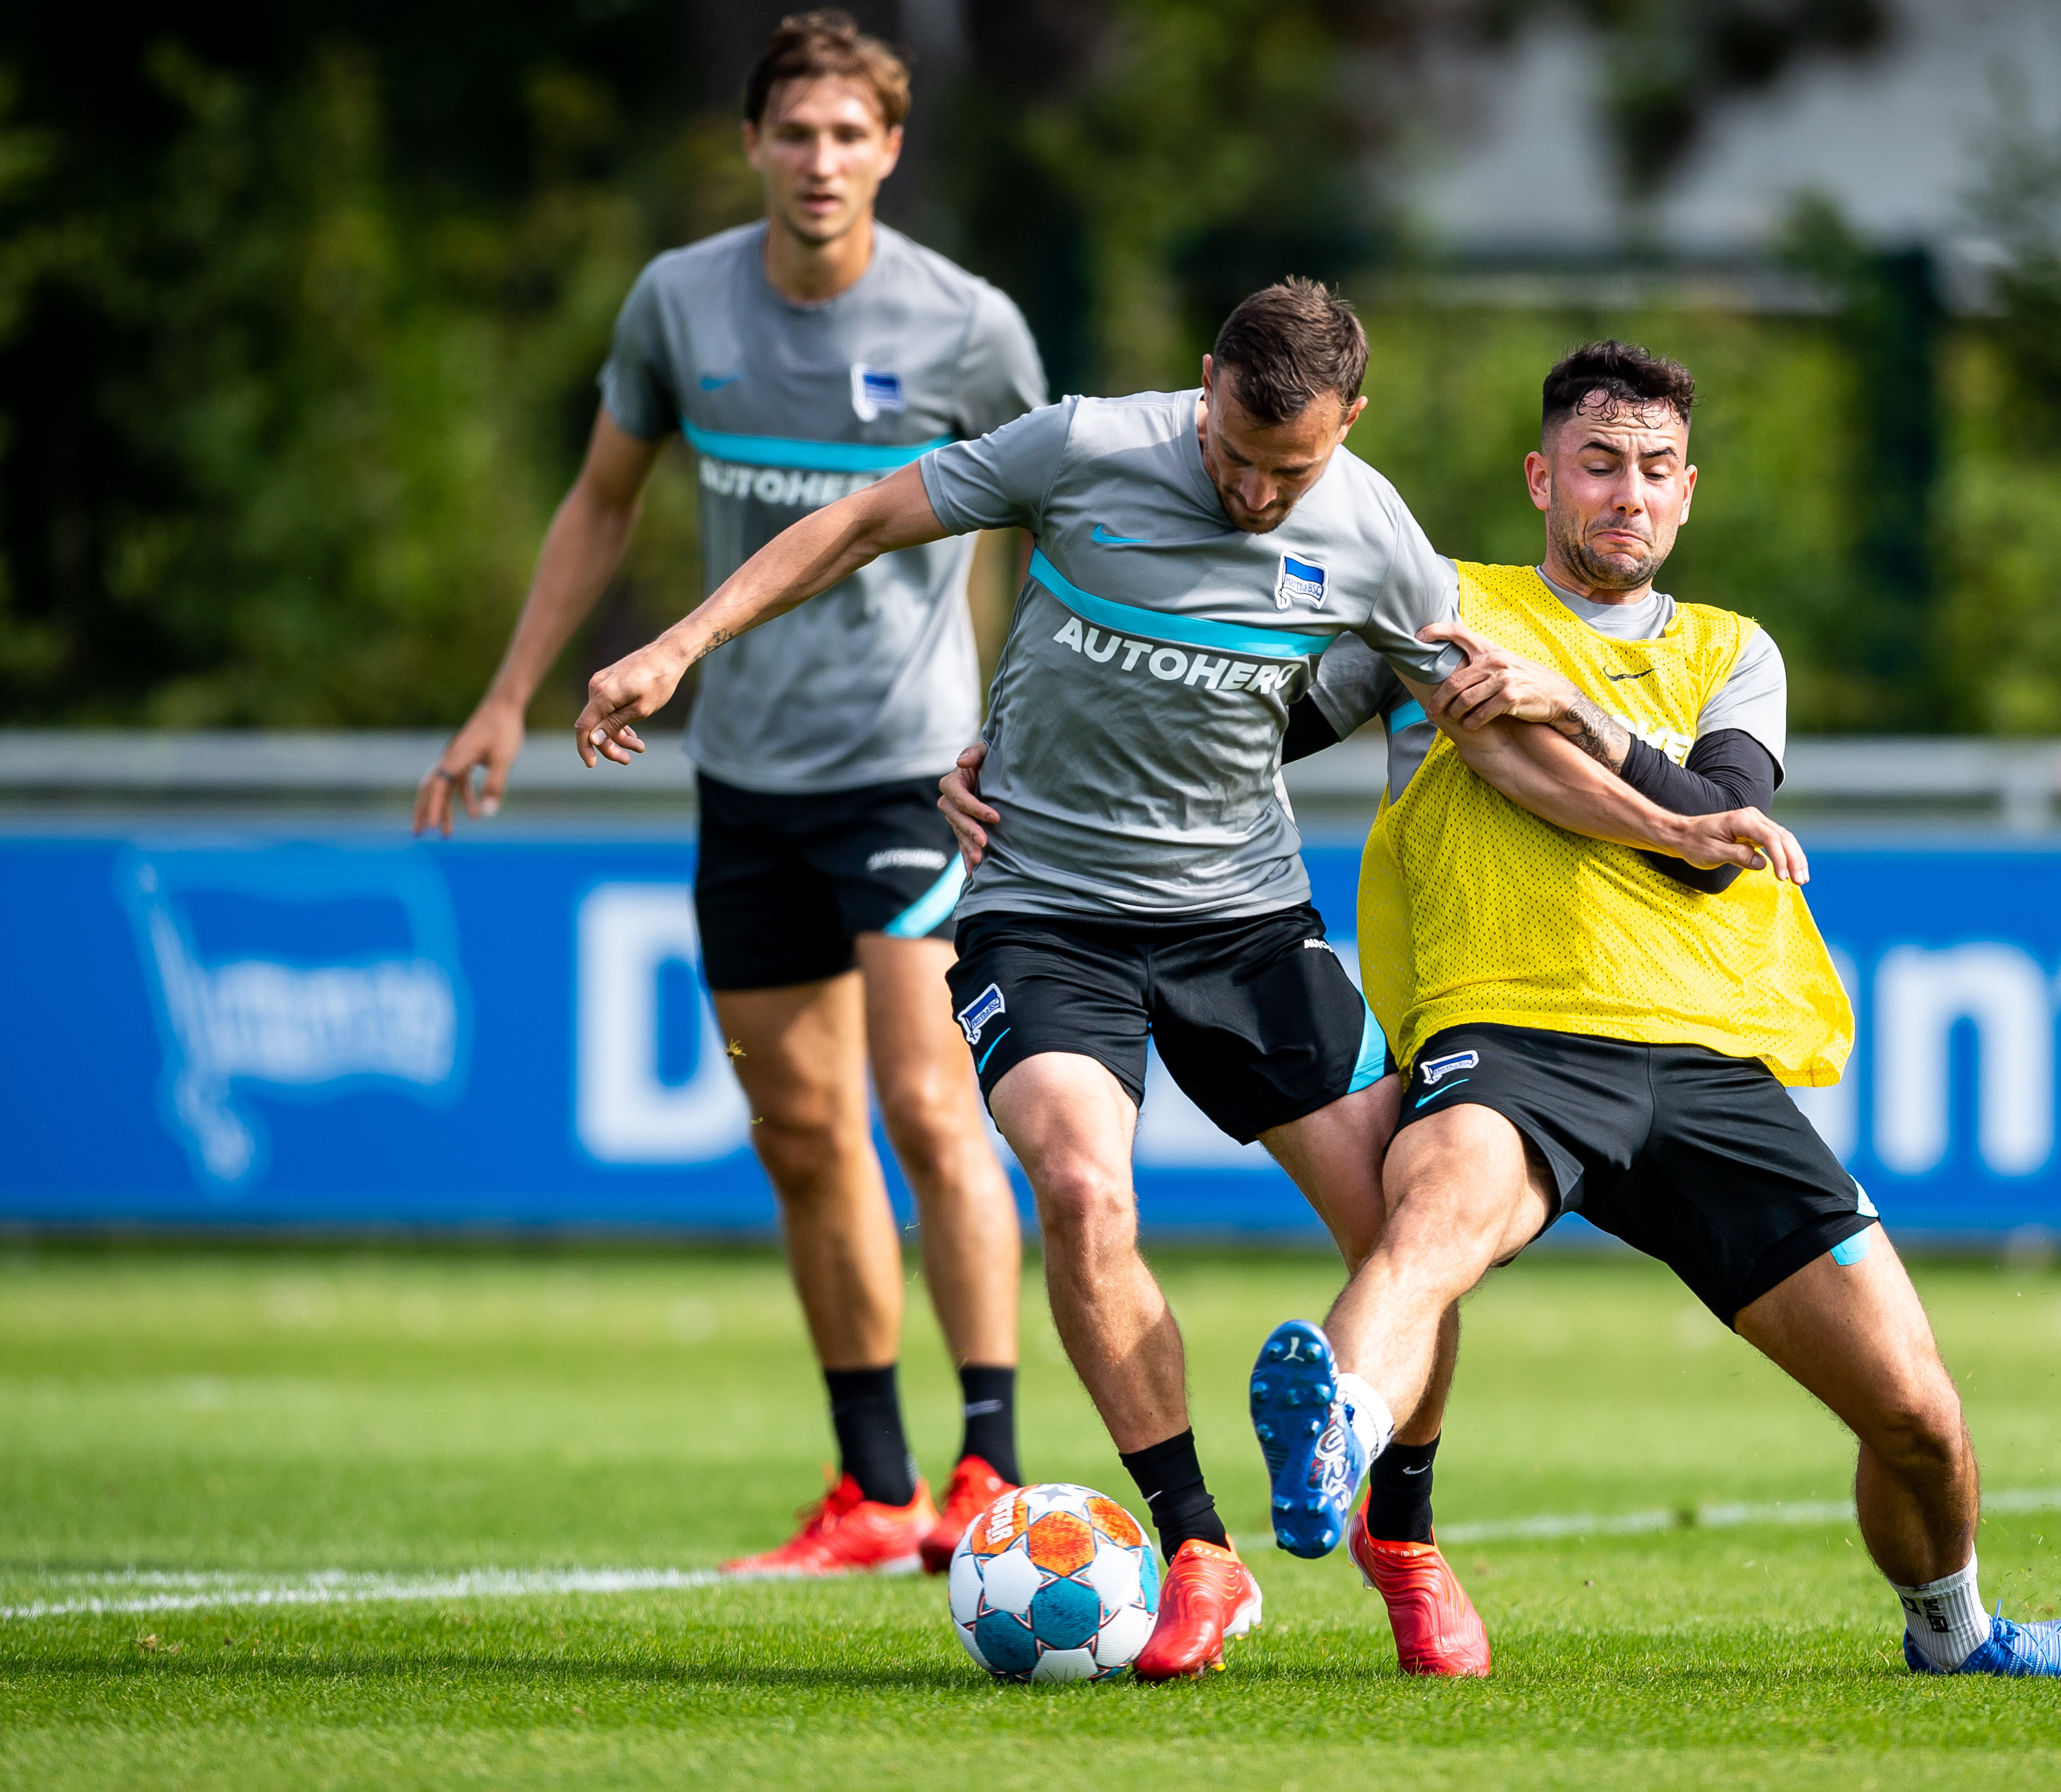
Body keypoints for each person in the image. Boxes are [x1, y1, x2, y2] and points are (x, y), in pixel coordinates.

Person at [568, 283, 1795, 1677]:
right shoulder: (1082, 448)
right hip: (1046, 912)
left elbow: (1492, 745)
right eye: (1236, 456)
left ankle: (1403, 1535)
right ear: (1204, 386)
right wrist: (679, 646)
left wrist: (1677, 828)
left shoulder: (1378, 535)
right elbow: (860, 519)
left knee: (1394, 1230)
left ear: (1352, 427)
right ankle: (1199, 1546)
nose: (1261, 494)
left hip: (1245, 926)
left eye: (1296, 468)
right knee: (1085, 1188)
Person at [1249, 339, 2061, 1681]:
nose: (1629, 491)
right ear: (1541, 477)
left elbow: (1712, 822)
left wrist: (1580, 711)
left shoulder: (1733, 651)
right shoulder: (1441, 609)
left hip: (1707, 1066)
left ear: (1688, 492)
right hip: (1508, 1036)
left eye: (1656, 469)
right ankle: (1338, 1431)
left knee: (1916, 1413)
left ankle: (1955, 1632)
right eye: (1601, 464)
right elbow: (1247, 727)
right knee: (1430, 1228)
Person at [414, 11, 1037, 1576]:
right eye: (795, 132)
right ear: (753, 144)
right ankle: (874, 1489)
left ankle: (988, 1472)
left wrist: (1020, 731)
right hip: (743, 785)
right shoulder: (678, 304)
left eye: (851, 135)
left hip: (910, 774)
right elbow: (601, 499)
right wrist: (504, 692)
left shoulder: (968, 327)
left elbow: (1055, 523)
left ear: (891, 151)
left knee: (923, 1103)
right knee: (803, 1128)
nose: (821, 161)